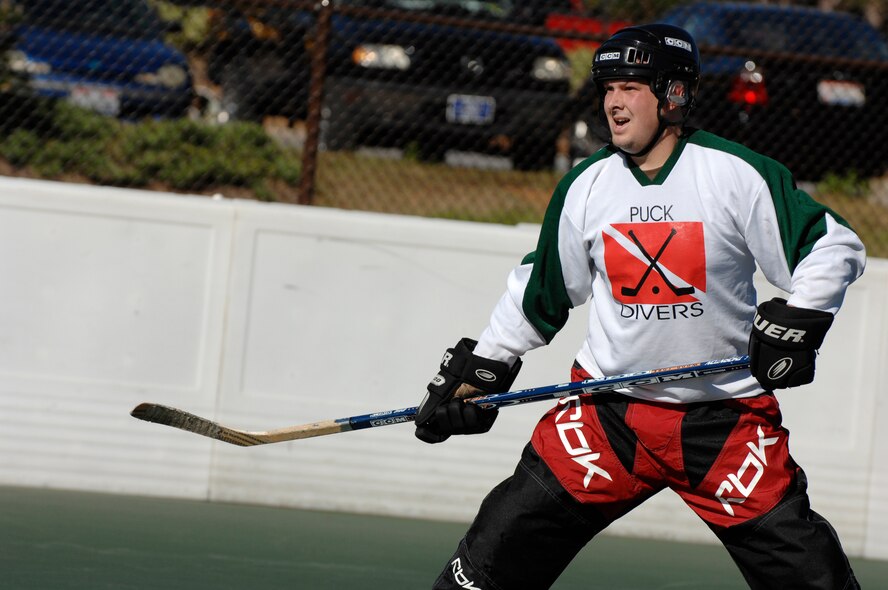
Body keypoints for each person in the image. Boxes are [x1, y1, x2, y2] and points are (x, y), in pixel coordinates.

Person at [413, 23, 866, 590]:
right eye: (607, 88)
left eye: (631, 86)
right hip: (606, 417)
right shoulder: (586, 185)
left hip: (722, 423)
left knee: (816, 582)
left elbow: (833, 244)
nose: (614, 103)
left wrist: (803, 316)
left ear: (673, 94)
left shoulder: (735, 174)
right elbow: (541, 290)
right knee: (483, 571)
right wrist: (485, 367)